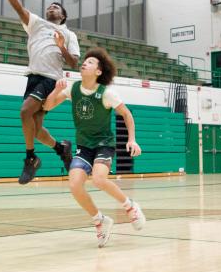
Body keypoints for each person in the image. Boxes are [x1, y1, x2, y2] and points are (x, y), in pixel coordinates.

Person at [43, 48, 146, 248]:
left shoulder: (106, 93)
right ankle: (100, 220)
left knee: (99, 178)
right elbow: (46, 107)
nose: (84, 63)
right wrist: (56, 90)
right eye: (85, 61)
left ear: (98, 71)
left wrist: (132, 140)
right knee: (74, 185)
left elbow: (127, 115)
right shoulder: (72, 89)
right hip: (84, 146)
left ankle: (130, 206)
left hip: (104, 145)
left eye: (90, 62)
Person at [0, 0, 80, 184]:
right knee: (34, 130)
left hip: (50, 79)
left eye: (56, 7)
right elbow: (17, 6)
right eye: (49, 6)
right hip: (33, 78)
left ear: (63, 16)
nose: (51, 8)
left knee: (25, 112)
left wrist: (61, 47)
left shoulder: (69, 34)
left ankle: (31, 158)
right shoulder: (36, 23)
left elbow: (74, 62)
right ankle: (61, 148)